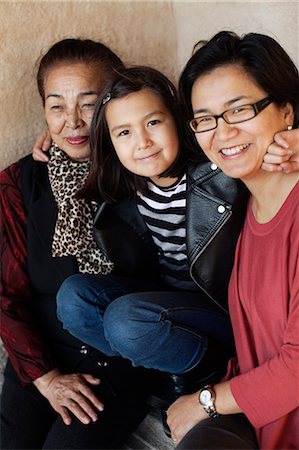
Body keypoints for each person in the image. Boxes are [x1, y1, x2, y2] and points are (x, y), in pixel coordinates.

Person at [0, 38, 151, 450]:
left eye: (89, 103)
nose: (73, 121)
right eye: (57, 106)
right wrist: (46, 378)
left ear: (115, 100)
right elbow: (6, 296)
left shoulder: (144, 168)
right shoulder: (18, 184)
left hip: (116, 365)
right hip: (41, 357)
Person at [165, 30, 299, 450]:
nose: (221, 133)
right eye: (204, 118)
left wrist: (205, 401)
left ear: (287, 112)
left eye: (239, 109)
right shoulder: (241, 208)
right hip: (261, 419)